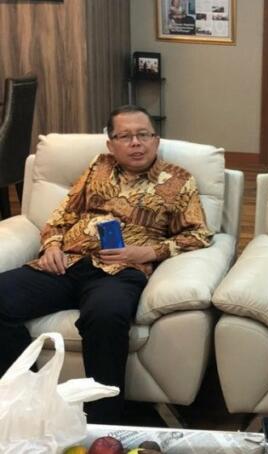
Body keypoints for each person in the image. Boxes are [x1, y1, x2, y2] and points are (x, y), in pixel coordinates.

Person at [0, 105, 212, 423]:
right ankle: (27, 400)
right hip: (67, 263)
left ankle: (103, 421)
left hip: (119, 273)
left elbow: (199, 235)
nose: (136, 143)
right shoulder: (98, 167)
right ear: (111, 144)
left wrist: (148, 252)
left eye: (143, 135)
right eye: (125, 136)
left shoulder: (178, 181)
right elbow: (63, 215)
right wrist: (52, 245)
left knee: (106, 316)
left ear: (156, 140)